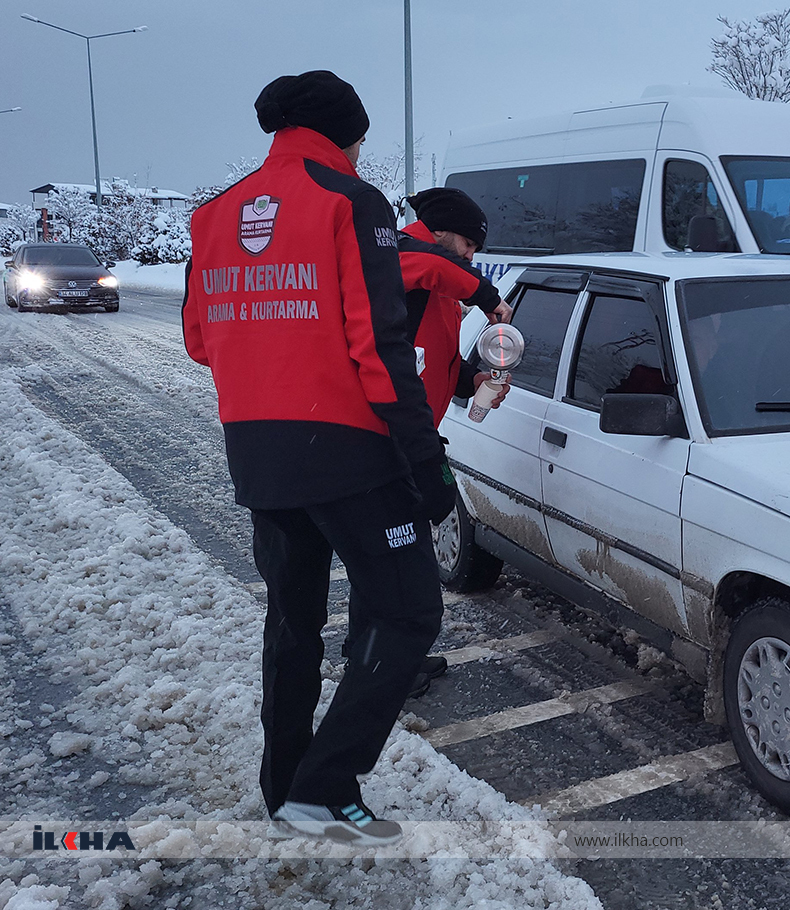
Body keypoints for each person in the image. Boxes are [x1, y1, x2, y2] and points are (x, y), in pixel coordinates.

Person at [182, 70, 451, 846]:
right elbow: (379, 346)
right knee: (407, 612)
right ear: (345, 133)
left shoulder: (212, 214)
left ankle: (283, 791)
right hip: (350, 454)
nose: (363, 153)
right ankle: (321, 790)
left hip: (259, 454)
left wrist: (273, 352)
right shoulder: (349, 202)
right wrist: (426, 464)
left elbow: (202, 340)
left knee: (293, 621)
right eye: (361, 138)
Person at [382, 186, 514, 698]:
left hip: (415, 434)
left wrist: (472, 382)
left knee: (405, 555)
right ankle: (384, 665)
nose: (471, 256)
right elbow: (429, 266)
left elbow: (434, 355)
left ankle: (394, 654)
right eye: (468, 244)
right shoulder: (398, 254)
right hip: (389, 439)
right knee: (400, 562)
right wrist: (485, 295)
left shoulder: (437, 278)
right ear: (439, 231)